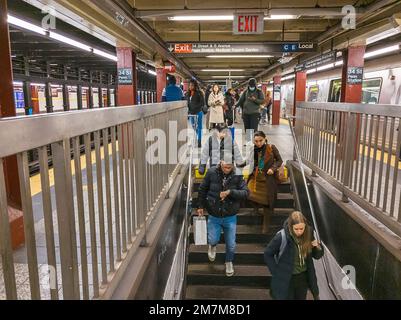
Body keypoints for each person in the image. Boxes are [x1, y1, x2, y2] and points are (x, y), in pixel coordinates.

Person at [197, 155, 249, 277]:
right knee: (213, 239)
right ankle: (212, 245)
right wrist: (200, 206)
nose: (227, 169)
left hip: (230, 216)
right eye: (225, 167)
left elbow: (246, 193)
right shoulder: (211, 173)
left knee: (231, 244)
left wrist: (231, 192)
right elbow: (202, 189)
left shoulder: (238, 175)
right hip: (214, 214)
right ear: (220, 163)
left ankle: (229, 261)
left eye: (230, 167)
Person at [264, 211, 324, 300]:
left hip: (302, 277)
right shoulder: (282, 236)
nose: (299, 232)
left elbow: (316, 256)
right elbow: (268, 253)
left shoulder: (308, 233)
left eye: (301, 228)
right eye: (296, 229)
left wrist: (318, 247)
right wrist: (275, 271)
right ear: (291, 227)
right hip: (287, 278)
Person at [246, 131, 283, 234]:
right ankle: (256, 208)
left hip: (268, 178)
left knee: (267, 203)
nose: (258, 143)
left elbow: (279, 160)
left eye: (260, 141)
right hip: (256, 176)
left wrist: (273, 168)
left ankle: (265, 225)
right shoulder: (253, 149)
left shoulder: (271, 148)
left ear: (265, 138)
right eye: (256, 141)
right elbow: (249, 161)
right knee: (247, 193)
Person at [236, 78, 265, 143]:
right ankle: (248, 142)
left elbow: (262, 101)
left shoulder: (259, 91)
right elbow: (240, 100)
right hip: (246, 113)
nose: (251, 87)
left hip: (255, 113)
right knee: (247, 129)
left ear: (255, 85)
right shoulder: (245, 92)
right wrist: (235, 105)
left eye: (253, 86)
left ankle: (255, 142)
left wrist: (254, 99)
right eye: (250, 86)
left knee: (254, 129)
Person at [186, 79, 206, 148]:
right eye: (190, 85)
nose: (190, 86)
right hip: (191, 113)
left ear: (195, 86)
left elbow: (202, 103)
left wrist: (196, 108)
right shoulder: (188, 94)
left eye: (192, 85)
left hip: (198, 112)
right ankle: (198, 136)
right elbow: (187, 102)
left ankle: (199, 141)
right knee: (194, 126)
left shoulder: (199, 93)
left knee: (199, 127)